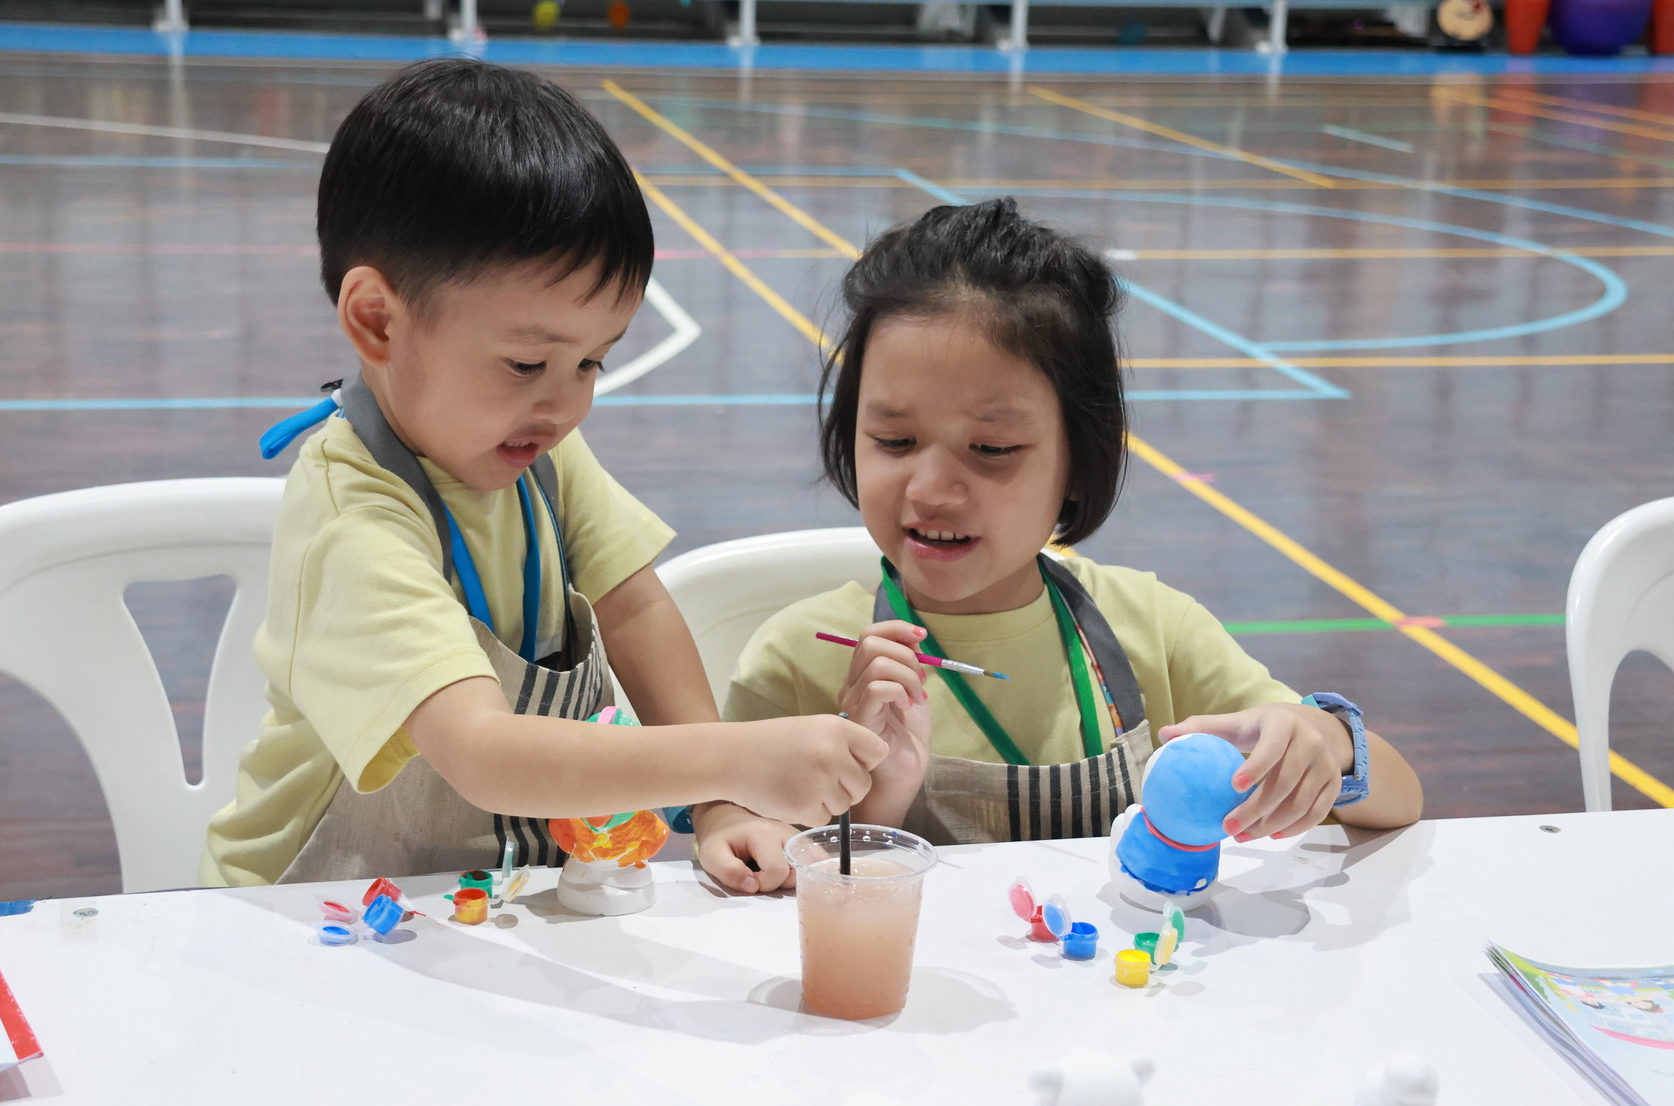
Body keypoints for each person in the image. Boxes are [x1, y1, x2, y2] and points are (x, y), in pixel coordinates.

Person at [201, 59, 884, 887]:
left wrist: (719, 804)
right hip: (305, 915)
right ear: (377, 321)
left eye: (592, 362)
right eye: (527, 363)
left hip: (480, 895)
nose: (566, 406)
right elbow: (483, 754)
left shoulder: (537, 455)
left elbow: (633, 606)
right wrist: (734, 759)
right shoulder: (355, 522)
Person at [695, 197, 1422, 895]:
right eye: (894, 440)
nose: (932, 489)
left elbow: (1398, 802)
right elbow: (762, 891)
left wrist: (1326, 743)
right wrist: (871, 803)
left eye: (992, 449)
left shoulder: (1154, 630)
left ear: (1078, 460)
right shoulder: (797, 662)